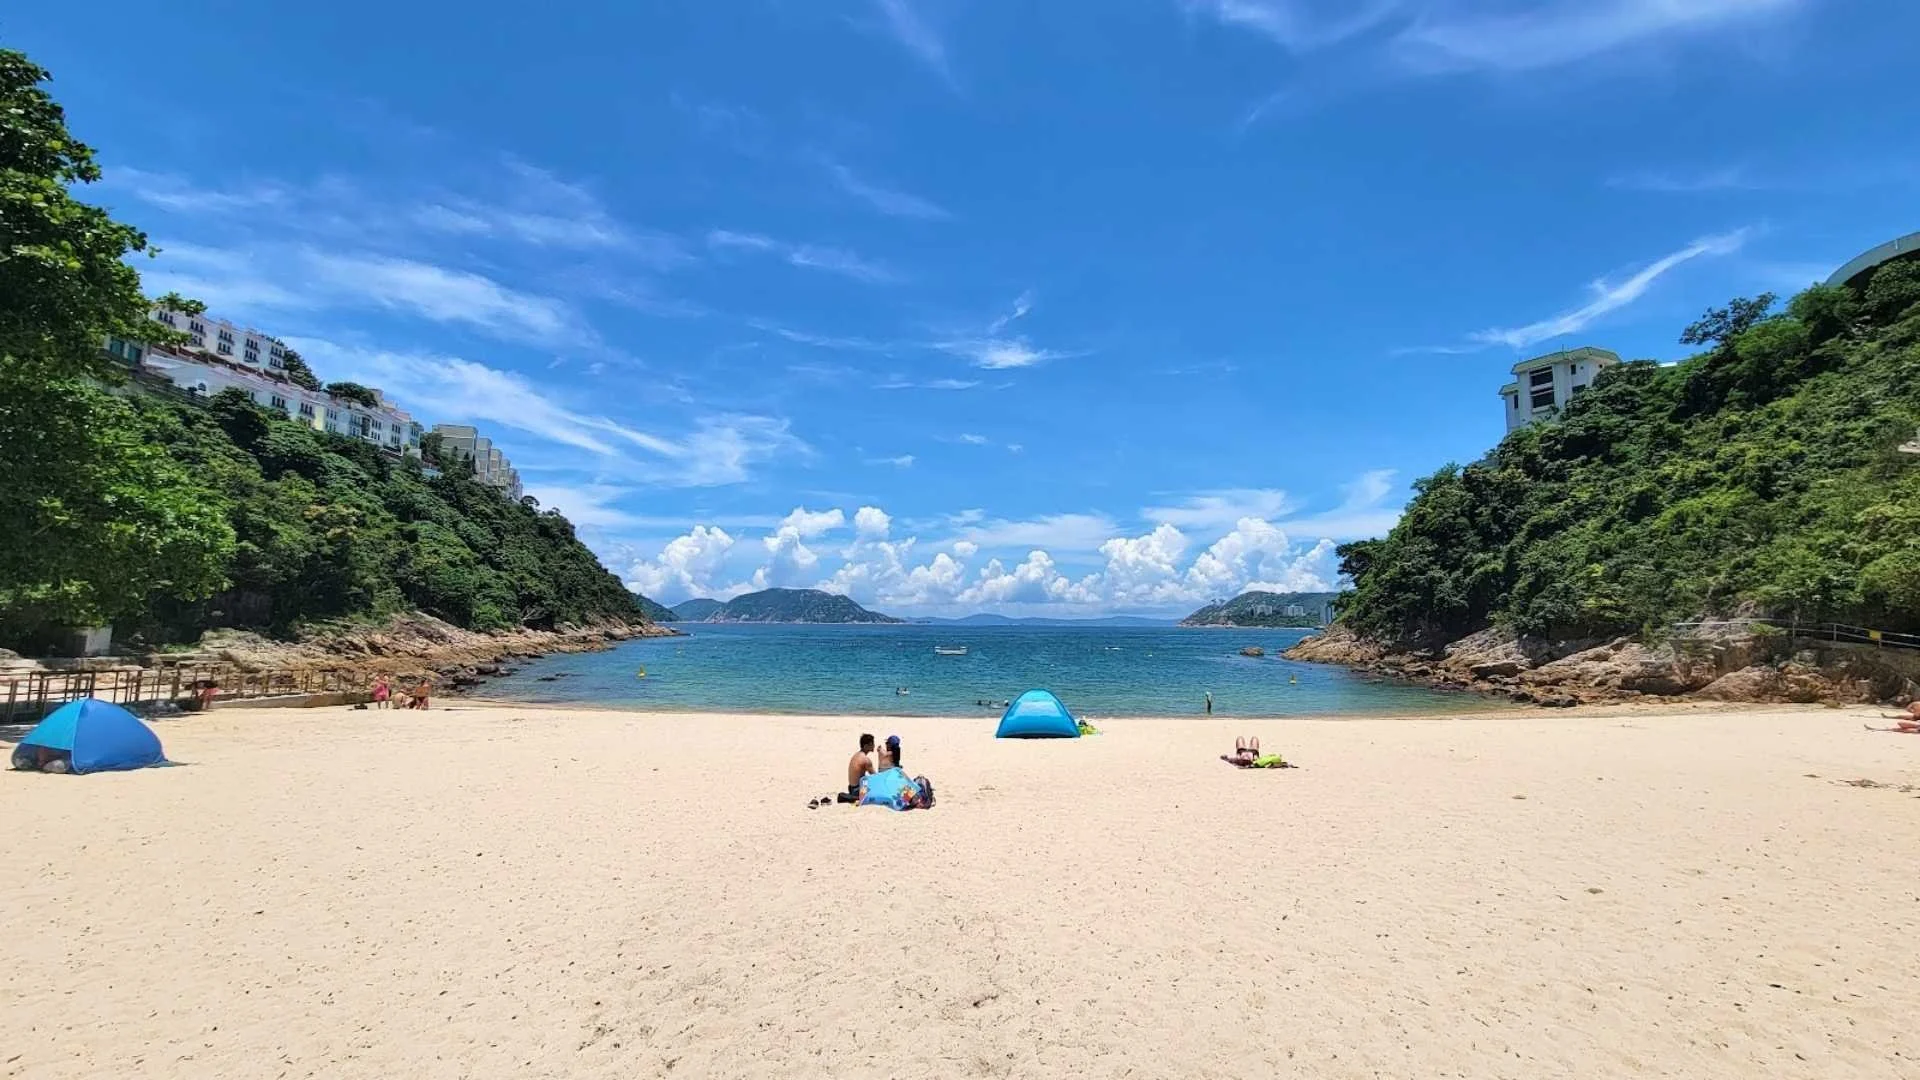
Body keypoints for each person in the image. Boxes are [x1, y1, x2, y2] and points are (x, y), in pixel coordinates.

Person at [839, 734, 877, 803]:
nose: (874, 745)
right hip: (857, 790)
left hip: (851, 788)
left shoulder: (856, 755)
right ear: (866, 746)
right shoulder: (866, 760)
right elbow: (875, 777)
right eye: (872, 744)